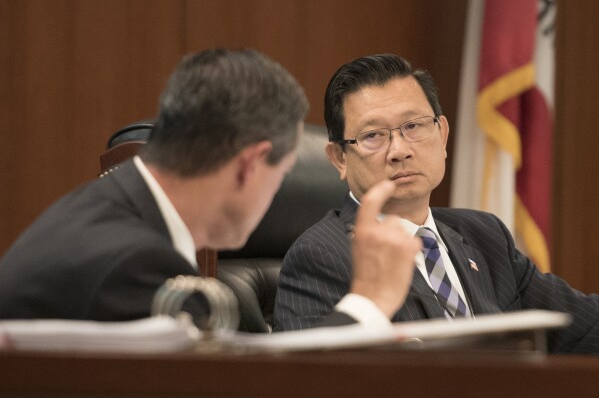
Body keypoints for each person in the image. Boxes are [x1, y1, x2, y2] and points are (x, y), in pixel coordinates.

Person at [0, 48, 420, 327]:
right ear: (250, 166)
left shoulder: (108, 209)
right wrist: (370, 300)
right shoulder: (135, 265)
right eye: (281, 175)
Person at [273, 53, 599, 354]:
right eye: (373, 136)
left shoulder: (485, 235)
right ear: (339, 158)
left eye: (412, 126)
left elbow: (584, 328)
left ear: (442, 135)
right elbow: (311, 379)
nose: (399, 150)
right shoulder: (321, 256)